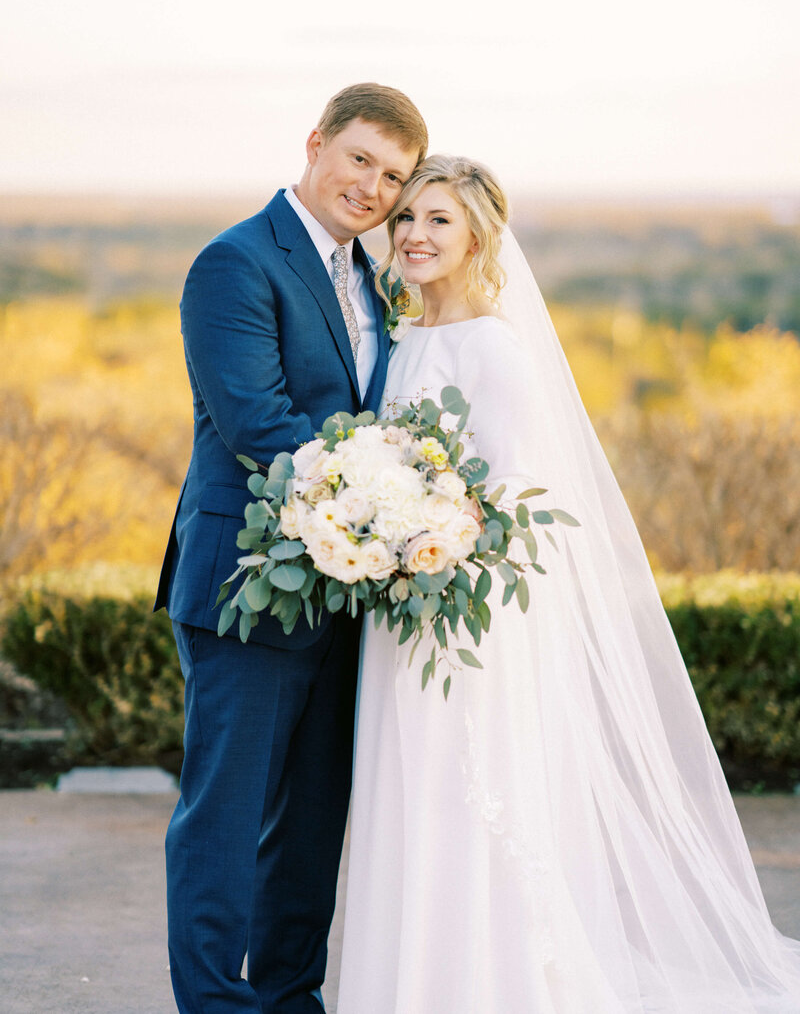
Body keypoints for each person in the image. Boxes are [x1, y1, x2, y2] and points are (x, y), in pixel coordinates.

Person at [336, 155, 800, 1013]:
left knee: (459, 797)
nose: (414, 236)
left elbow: (512, 494)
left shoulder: (493, 347)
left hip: (461, 625)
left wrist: (427, 536)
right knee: (402, 801)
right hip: (396, 615)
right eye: (406, 219)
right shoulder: (400, 339)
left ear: (478, 233)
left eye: (438, 220)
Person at [154, 83, 426, 1013]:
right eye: (360, 159)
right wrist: (393, 501)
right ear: (315, 144)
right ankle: (213, 1004)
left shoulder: (374, 279)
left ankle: (287, 996)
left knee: (310, 825)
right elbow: (258, 423)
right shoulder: (234, 263)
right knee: (223, 822)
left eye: (393, 176)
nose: (373, 187)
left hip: (348, 592)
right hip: (248, 584)